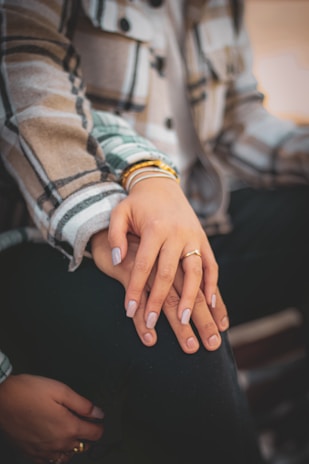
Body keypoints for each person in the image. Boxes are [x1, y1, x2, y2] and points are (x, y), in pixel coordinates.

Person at [0, 0, 308, 463]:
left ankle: (293, 428)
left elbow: (238, 118)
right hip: (63, 233)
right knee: (168, 300)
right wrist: (134, 189)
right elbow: (33, 85)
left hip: (194, 212)